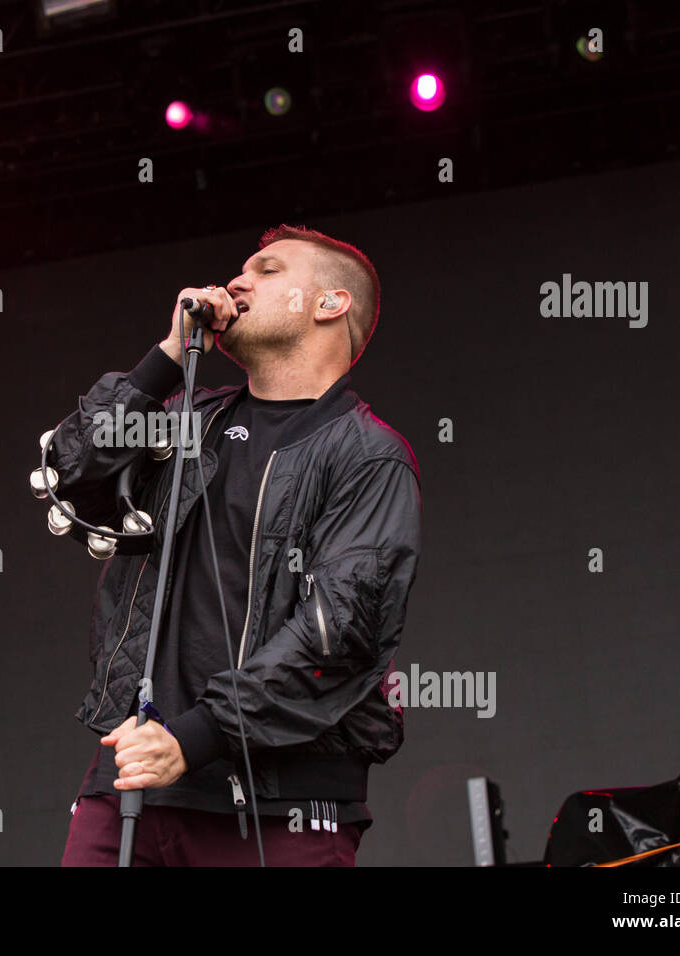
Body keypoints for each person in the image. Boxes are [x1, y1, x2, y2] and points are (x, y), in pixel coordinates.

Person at [45, 223, 422, 866]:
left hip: (279, 803)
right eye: (243, 269)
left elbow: (341, 630)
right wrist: (167, 354)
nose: (239, 280)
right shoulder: (192, 419)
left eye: (269, 270)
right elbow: (73, 470)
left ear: (331, 304)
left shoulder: (368, 456)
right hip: (133, 787)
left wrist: (193, 738)